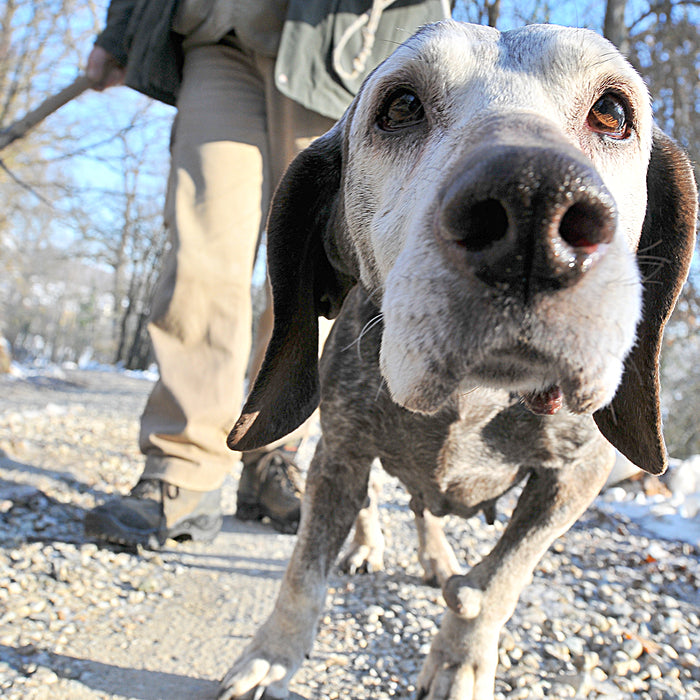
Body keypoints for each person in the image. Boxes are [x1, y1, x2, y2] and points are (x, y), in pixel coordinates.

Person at [83, 0, 450, 549]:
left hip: (339, 42)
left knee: (318, 265)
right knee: (199, 254)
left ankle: (275, 449)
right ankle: (182, 467)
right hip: (216, 36)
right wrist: (118, 34)